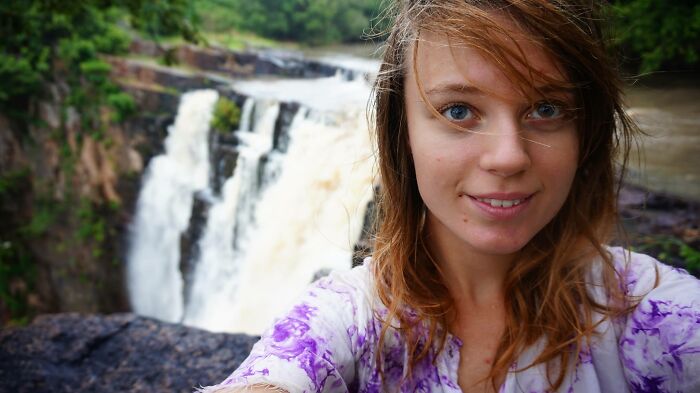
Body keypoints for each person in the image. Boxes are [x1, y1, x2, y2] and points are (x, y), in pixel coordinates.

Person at [199, 1, 700, 392]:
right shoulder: (348, 315)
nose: (508, 157)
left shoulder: (647, 312)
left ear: (585, 133)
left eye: (546, 108)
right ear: (403, 133)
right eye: (459, 111)